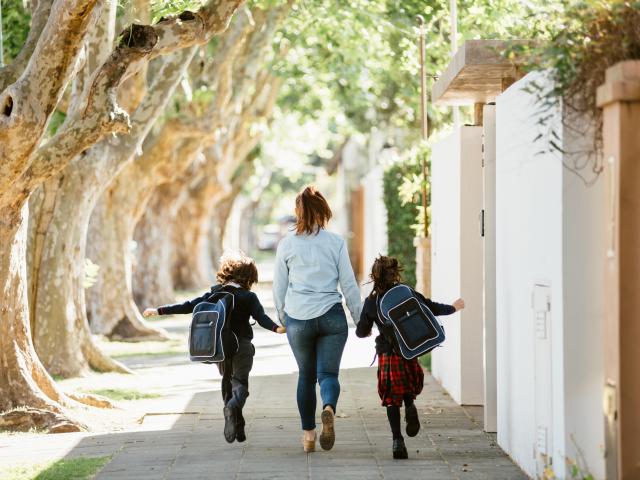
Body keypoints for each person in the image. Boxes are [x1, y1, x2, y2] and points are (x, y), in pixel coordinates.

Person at [143, 252, 286, 444]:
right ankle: (233, 407)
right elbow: (261, 318)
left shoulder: (214, 293)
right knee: (240, 385)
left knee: (227, 381)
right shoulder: (248, 297)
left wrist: (159, 310)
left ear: (227, 273)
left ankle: (237, 421)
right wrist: (277, 328)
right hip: (241, 347)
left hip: (219, 347)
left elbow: (188, 306)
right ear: (249, 277)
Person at [273, 185, 361, 453]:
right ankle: (329, 408)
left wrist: (282, 318)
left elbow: (279, 287)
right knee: (328, 374)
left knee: (305, 376)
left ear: (297, 212)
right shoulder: (335, 242)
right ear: (323, 210)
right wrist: (359, 320)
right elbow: (349, 284)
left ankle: (309, 436)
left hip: (298, 318)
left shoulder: (287, 245)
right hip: (332, 316)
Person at [356, 255, 464, 459]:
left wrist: (367, 330)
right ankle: (410, 404)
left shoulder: (371, 302)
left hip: (387, 353)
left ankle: (397, 441)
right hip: (408, 349)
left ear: (374, 276)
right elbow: (430, 307)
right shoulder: (406, 293)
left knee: (390, 396)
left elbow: (361, 331)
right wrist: (453, 307)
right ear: (395, 273)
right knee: (407, 385)